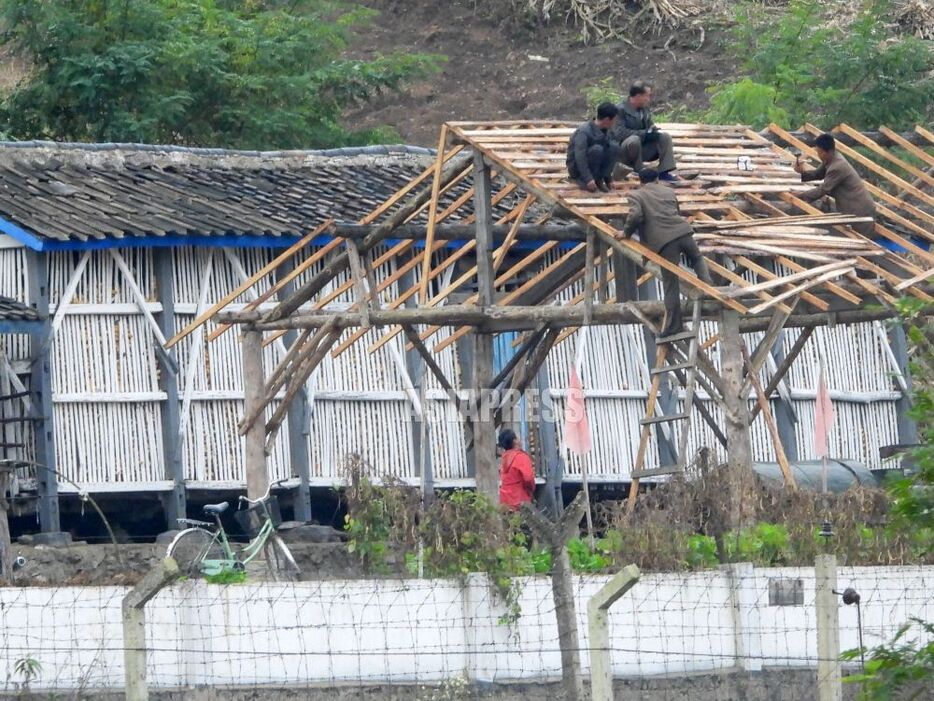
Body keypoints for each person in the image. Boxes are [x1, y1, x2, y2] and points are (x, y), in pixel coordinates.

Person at [623, 168, 713, 339]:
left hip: (665, 241)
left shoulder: (636, 195)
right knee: (697, 258)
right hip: (683, 231)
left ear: (640, 181)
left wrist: (625, 233)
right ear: (657, 179)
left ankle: (673, 326)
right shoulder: (668, 191)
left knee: (670, 283)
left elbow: (635, 216)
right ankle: (708, 287)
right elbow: (677, 212)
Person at [794, 132, 876, 237]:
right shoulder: (830, 159)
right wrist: (802, 172)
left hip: (860, 210)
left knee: (861, 242)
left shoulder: (837, 166)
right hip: (853, 209)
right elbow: (817, 174)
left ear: (828, 151)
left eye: (819, 152)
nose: (818, 155)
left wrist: (800, 196)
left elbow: (823, 189)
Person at [614, 81, 679, 181]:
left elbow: (649, 126)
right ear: (638, 96)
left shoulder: (644, 110)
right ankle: (640, 171)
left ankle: (664, 171)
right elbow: (620, 133)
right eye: (647, 96)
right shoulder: (619, 109)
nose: (648, 99)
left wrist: (653, 131)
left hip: (642, 149)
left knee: (664, 137)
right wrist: (645, 133)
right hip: (624, 151)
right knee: (634, 139)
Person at [566, 102, 622, 192]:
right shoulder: (583, 131)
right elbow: (580, 157)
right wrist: (588, 178)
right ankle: (585, 181)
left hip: (595, 167)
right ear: (607, 119)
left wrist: (608, 179)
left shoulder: (608, 131)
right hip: (578, 169)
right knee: (597, 149)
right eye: (614, 119)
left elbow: (610, 154)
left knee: (614, 147)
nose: (615, 122)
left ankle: (599, 180)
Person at [498, 428, 535, 510]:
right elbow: (528, 479)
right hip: (519, 500)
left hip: (505, 502)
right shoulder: (521, 457)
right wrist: (532, 490)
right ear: (515, 441)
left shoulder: (504, 459)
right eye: (517, 437)